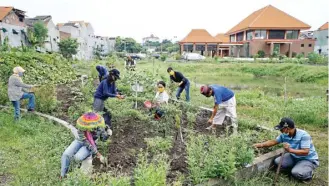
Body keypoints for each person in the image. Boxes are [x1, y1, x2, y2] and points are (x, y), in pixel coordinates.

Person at [253, 118, 319, 182]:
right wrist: (259, 145)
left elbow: (305, 152)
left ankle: (309, 173)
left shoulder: (304, 135)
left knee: (296, 173)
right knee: (277, 162)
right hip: (294, 156)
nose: (280, 131)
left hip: (307, 159)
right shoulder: (284, 135)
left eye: (281, 129)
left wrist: (290, 150)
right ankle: (297, 166)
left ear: (287, 128)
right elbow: (273, 142)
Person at [60, 112, 109, 179]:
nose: (90, 125)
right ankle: (63, 175)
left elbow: (103, 139)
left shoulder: (99, 126)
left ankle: (88, 154)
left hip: (92, 143)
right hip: (81, 141)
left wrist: (107, 134)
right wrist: (97, 153)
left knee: (77, 157)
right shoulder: (82, 125)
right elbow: (85, 141)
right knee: (66, 154)